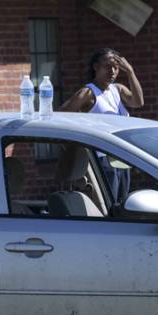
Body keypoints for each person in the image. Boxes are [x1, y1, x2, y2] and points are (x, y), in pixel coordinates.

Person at [61, 48, 144, 206]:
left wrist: (130, 72)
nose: (112, 71)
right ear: (96, 67)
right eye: (107, 66)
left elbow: (138, 102)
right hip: (102, 156)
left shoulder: (117, 89)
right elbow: (60, 115)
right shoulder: (88, 92)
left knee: (123, 204)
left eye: (116, 67)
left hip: (122, 155)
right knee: (109, 203)